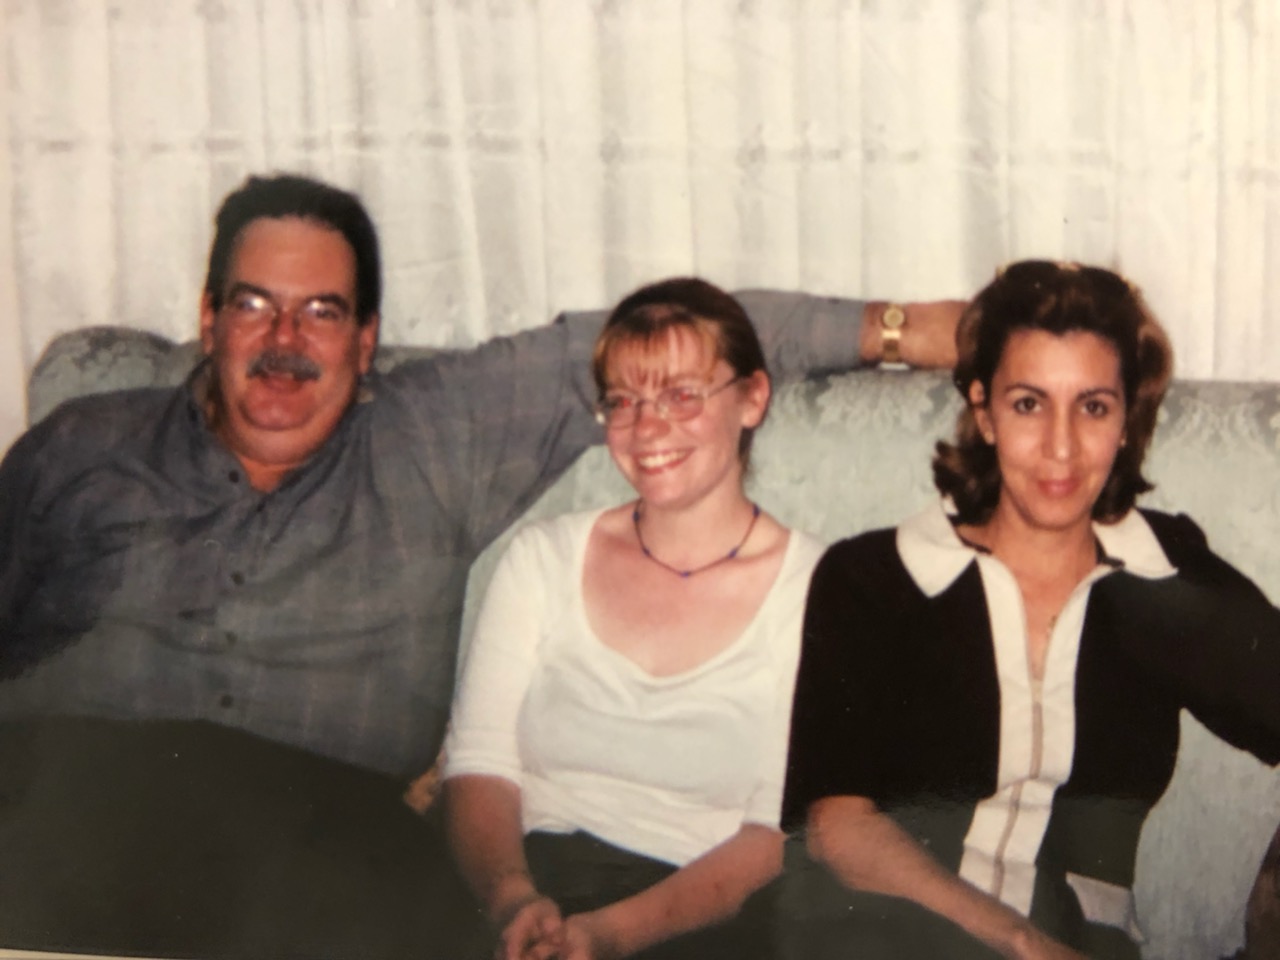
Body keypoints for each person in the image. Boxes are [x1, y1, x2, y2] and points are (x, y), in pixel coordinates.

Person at [0, 173, 960, 958]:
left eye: (322, 313)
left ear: (366, 341)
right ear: (207, 318)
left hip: (315, 834)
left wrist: (905, 331)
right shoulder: (82, 445)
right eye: (254, 305)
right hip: (70, 792)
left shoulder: (429, 438)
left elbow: (667, 340)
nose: (285, 341)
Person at [779, 260, 1280, 960]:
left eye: (1094, 406)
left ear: (1127, 417)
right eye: (1028, 404)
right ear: (983, 411)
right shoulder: (876, 579)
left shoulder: (1161, 574)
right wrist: (1018, 940)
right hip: (882, 932)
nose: (1062, 447)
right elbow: (836, 826)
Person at [444, 278, 824, 960]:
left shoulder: (822, 591)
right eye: (624, 402)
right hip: (528, 883)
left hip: (700, 914)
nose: (647, 429)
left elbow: (772, 834)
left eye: (682, 395)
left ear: (753, 398)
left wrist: (608, 935)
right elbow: (479, 765)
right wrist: (515, 902)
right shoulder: (541, 558)